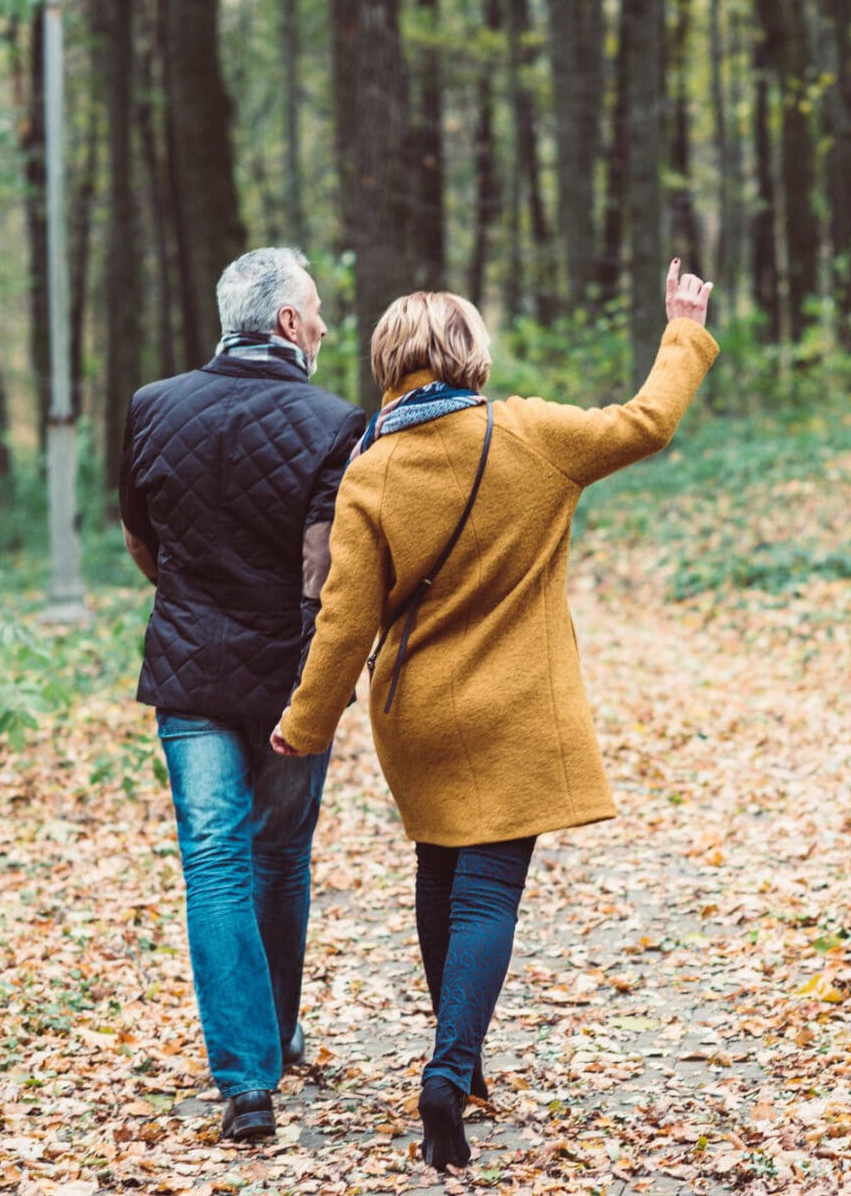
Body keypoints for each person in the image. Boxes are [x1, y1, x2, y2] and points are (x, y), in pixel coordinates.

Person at [270, 261, 717, 1170]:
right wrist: (682, 330)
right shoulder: (530, 434)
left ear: (390, 360)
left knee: (439, 872)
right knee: (486, 893)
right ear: (469, 352)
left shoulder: (372, 471)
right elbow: (648, 423)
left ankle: (459, 1060)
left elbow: (345, 619)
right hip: (515, 709)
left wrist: (305, 723)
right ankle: (449, 1070)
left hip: (416, 716)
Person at [118, 247, 365, 1142]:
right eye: (317, 310)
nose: (325, 325)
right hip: (291, 678)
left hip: (189, 669)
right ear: (289, 323)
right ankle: (279, 1034)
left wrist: (193, 598)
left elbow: (140, 538)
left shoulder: (152, 406)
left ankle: (246, 1083)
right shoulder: (336, 421)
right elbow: (323, 570)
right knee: (279, 853)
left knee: (212, 860)